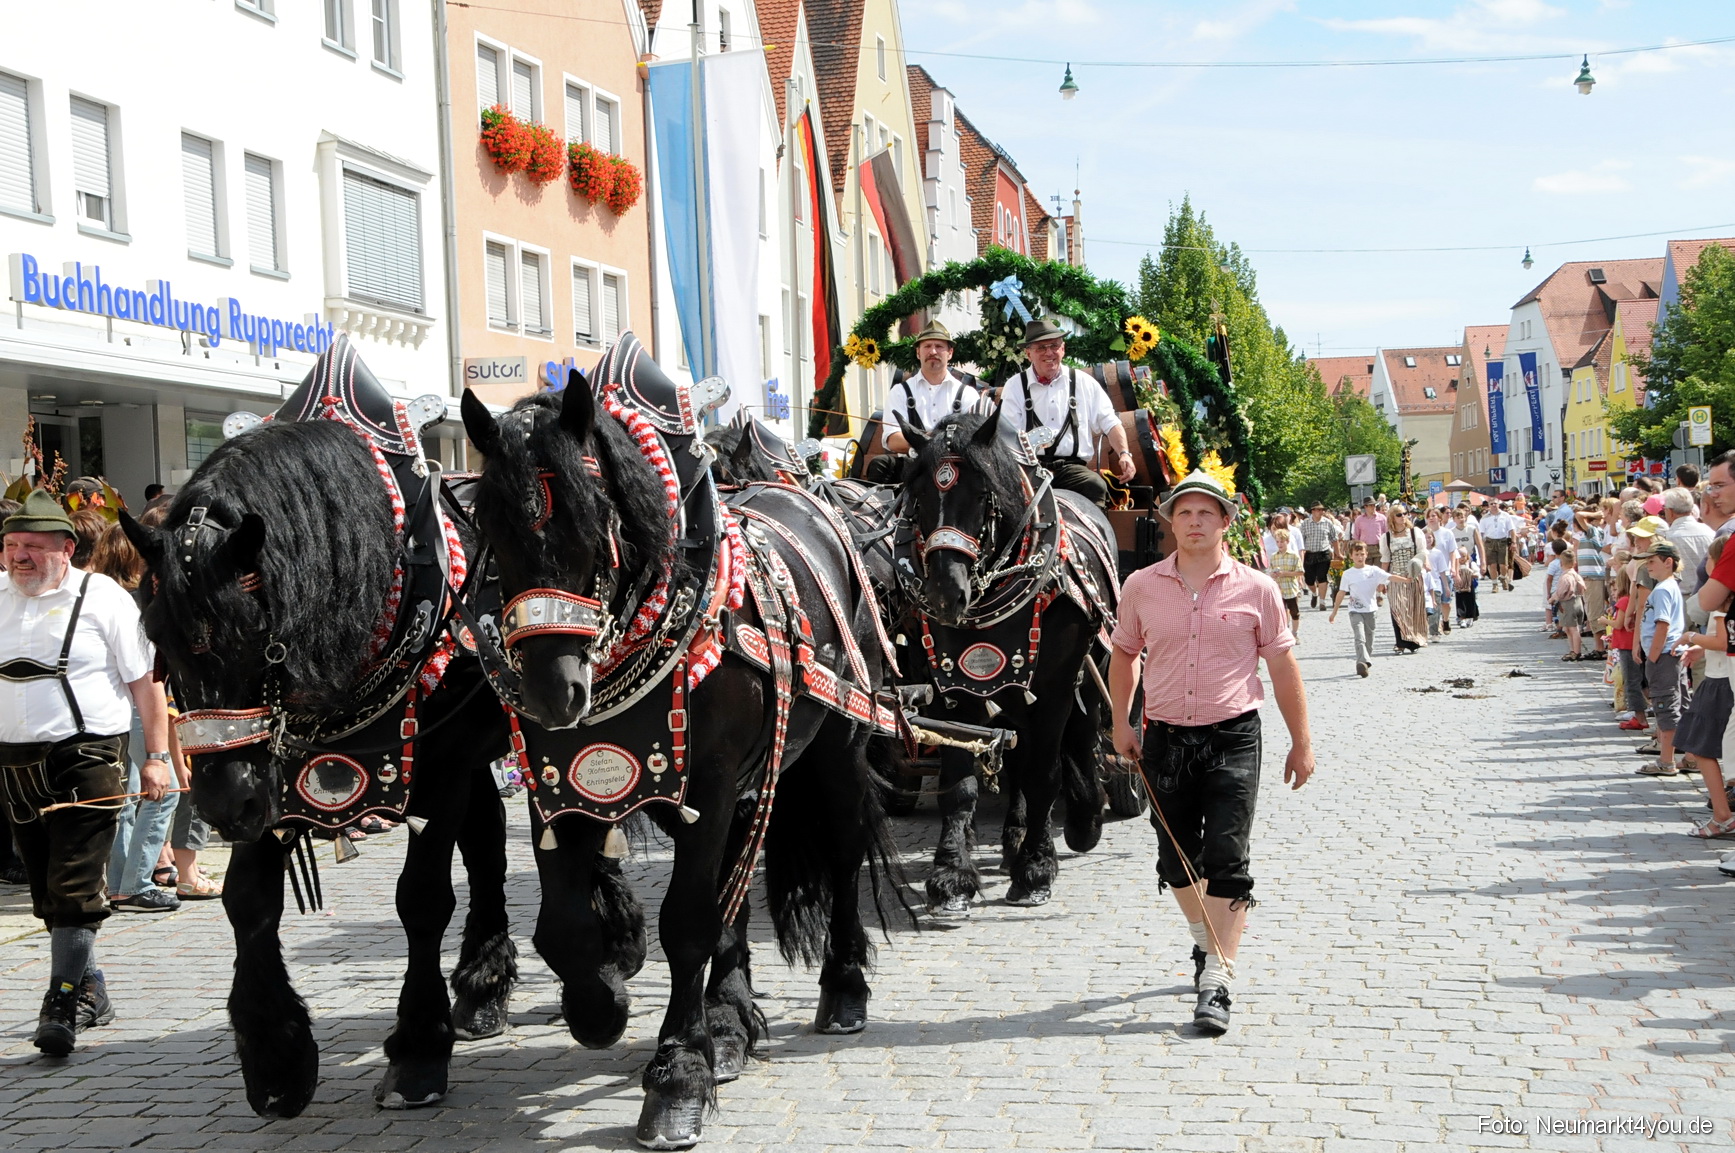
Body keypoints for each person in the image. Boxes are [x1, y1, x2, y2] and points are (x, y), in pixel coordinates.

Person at [1108, 471, 1314, 1036]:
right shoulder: (1141, 586)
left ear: (1226, 522)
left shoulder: (1257, 589)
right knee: (1176, 860)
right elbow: (1125, 654)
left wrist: (1301, 741)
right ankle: (1207, 943)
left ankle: (1217, 980)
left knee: (1227, 855)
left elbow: (1280, 664)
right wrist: (1120, 721)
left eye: (1206, 513)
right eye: (1183, 514)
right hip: (1165, 738)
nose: (1194, 523)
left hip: (1233, 734)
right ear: (1170, 523)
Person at [0, 490, 171, 1056]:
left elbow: (146, 682)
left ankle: (62, 1000)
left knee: (73, 886)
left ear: (66, 549)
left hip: (88, 756)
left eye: (32, 547)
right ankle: (92, 987)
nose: (19, 557)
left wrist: (157, 756)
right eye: (11, 546)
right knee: (47, 887)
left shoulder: (103, 598)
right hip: (14, 762)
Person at [996, 317, 1134, 505]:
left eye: (1054, 345)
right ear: (1029, 354)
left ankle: (1096, 534)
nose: (1049, 353)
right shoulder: (1014, 386)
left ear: (1063, 349)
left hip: (1073, 471)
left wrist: (1125, 453)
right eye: (1041, 348)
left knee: (1095, 485)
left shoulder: (1084, 382)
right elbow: (1006, 435)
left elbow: (1110, 422)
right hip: (1030, 469)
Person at [869, 318, 986, 483]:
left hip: (956, 470)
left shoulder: (968, 394)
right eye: (927, 346)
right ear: (918, 352)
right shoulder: (900, 392)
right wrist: (927, 440)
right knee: (880, 465)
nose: (933, 352)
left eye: (939, 346)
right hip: (914, 467)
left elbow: (974, 440)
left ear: (950, 353)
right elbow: (892, 439)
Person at [1675, 546, 1735, 839]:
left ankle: (1723, 814)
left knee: (1700, 747)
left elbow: (1724, 640)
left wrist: (1692, 637)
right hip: (1718, 676)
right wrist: (1701, 646)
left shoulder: (1722, 600)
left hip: (1721, 680)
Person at [1635, 539, 1686, 777]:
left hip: (1664, 655)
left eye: (1652, 561)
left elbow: (1662, 625)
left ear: (1668, 562)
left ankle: (1667, 761)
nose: (1648, 566)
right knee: (1678, 704)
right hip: (1669, 655)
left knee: (1665, 706)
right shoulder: (1668, 585)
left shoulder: (1663, 589)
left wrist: (1652, 656)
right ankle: (1689, 757)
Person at [1329, 540, 1390, 677]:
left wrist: (1407, 579)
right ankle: (1361, 662)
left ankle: (1366, 659)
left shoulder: (1372, 570)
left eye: (1362, 554)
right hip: (1355, 610)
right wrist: (1334, 611)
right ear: (1351, 556)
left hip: (1371, 610)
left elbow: (1390, 577)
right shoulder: (1348, 574)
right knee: (1359, 636)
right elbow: (1341, 593)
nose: (1359, 557)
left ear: (1366, 555)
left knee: (1369, 639)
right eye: (1356, 554)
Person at [1378, 506, 1428, 653]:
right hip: (1395, 577)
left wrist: (1421, 565)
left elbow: (1422, 552)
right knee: (1397, 608)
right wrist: (1382, 580)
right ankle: (1400, 642)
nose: (1403, 517)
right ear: (1393, 517)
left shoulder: (1415, 533)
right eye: (1399, 514)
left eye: (1405, 514)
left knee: (1413, 609)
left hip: (1412, 576)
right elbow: (1386, 560)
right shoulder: (1386, 537)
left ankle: (1413, 641)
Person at [1296, 503, 1341, 610]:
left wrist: (1338, 553)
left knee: (1322, 577)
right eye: (1318, 510)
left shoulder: (1327, 523)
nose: (1321, 512)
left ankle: (1322, 602)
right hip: (1309, 554)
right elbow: (1301, 541)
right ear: (1313, 511)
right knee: (1309, 580)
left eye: (1322, 510)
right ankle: (1315, 593)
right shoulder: (1305, 524)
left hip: (1323, 553)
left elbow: (1334, 539)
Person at [1551, 549, 1589, 661]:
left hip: (1568, 603)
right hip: (1578, 602)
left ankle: (1576, 652)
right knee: (1569, 628)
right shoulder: (1576, 575)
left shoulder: (1565, 577)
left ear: (1561, 563)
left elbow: (1561, 592)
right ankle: (1573, 650)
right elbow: (1583, 587)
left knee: (1573, 629)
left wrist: (1553, 598)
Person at [1268, 526, 1304, 641]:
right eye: (1277, 541)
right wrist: (1273, 574)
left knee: (1294, 612)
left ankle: (1295, 633)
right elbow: (1270, 571)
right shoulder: (1274, 557)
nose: (1280, 544)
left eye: (1282, 541)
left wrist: (1285, 573)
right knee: (1281, 613)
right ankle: (1284, 633)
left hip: (1291, 588)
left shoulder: (1294, 556)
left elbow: (1300, 571)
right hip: (1279, 589)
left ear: (1287, 541)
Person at [1482, 500, 1515, 590]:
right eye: (1491, 503)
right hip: (1489, 542)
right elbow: (1481, 533)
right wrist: (1481, 545)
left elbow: (1512, 529)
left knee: (1503, 564)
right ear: (1489, 505)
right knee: (1492, 565)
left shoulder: (1505, 515)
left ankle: (1503, 577)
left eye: (1495, 503)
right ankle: (1494, 584)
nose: (1493, 505)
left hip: (1502, 541)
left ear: (1498, 504)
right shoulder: (1484, 518)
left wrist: (1514, 542)